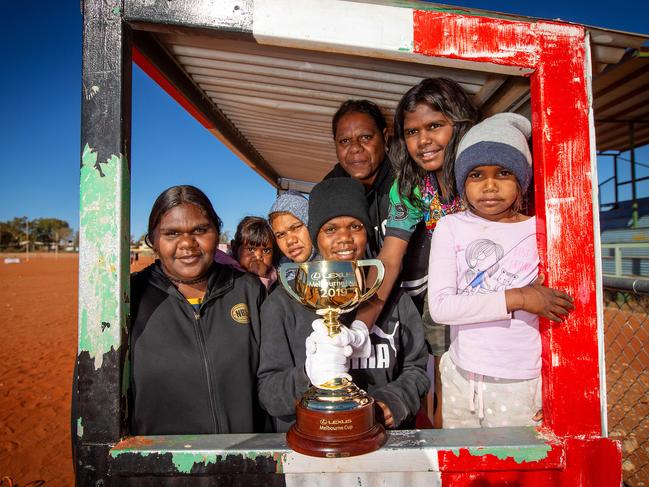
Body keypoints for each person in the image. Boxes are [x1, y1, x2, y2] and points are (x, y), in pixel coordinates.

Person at [427, 113, 575, 428]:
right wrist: (519, 298)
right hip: (461, 376)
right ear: (463, 181)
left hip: (520, 383)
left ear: (522, 179)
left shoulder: (541, 231)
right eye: (476, 174)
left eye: (504, 172)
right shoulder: (450, 227)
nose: (490, 186)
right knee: (465, 470)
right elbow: (441, 308)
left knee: (516, 472)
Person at [257, 178, 430, 432]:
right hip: (314, 446)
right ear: (315, 236)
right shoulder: (282, 304)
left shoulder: (394, 297)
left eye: (355, 226)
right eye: (330, 229)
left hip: (385, 444)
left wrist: (394, 400)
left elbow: (417, 368)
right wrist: (308, 373)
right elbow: (269, 393)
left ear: (367, 231)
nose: (344, 239)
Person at [356, 78, 480, 427]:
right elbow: (389, 260)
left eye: (435, 126)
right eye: (412, 132)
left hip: (493, 297)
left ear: (460, 123)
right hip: (443, 300)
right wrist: (357, 329)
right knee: (444, 385)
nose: (423, 140)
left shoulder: (481, 172)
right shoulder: (411, 187)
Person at [129, 185, 268, 434]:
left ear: (217, 232)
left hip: (244, 461)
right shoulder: (130, 298)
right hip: (162, 467)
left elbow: (270, 378)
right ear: (153, 241)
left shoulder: (247, 290)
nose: (187, 244)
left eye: (200, 230)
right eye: (171, 233)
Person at [230, 216, 278, 291]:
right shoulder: (226, 277)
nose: (258, 257)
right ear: (234, 248)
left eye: (266, 251)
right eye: (250, 249)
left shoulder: (278, 279)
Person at [268, 190, 314, 264]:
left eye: (296, 228)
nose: (290, 241)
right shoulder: (277, 272)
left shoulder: (335, 266)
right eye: (280, 235)